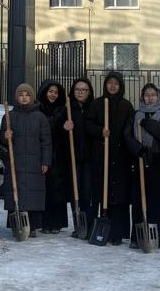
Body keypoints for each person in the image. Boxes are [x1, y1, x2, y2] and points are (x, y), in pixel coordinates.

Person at [85, 72, 134, 245]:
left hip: (120, 157)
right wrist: (100, 131)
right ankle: (99, 229)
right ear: (105, 85)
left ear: (120, 86)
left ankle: (117, 233)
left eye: (116, 83)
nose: (112, 86)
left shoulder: (126, 106)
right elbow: (87, 124)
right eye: (109, 83)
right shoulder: (97, 104)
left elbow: (130, 129)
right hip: (101, 155)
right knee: (101, 192)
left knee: (118, 196)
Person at [126, 83, 160, 249]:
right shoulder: (135, 115)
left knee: (158, 201)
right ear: (142, 97)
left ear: (159, 96)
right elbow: (127, 135)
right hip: (140, 160)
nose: (150, 98)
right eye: (147, 95)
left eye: (153, 95)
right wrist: (137, 148)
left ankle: (157, 237)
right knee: (138, 201)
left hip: (159, 163)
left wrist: (148, 123)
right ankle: (137, 237)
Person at [1, 83, 52, 238]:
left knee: (33, 194)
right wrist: (5, 137)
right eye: (21, 95)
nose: (24, 97)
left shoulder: (40, 118)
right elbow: (1, 142)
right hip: (15, 162)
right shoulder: (9, 116)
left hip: (34, 163)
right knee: (16, 193)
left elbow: (46, 142)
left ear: (32, 97)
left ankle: (33, 226)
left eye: (27, 95)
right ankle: (16, 224)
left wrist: (45, 161)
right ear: (16, 97)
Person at [37, 79, 69, 234]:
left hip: (58, 154)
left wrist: (65, 128)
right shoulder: (38, 109)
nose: (53, 95)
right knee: (43, 188)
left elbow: (66, 136)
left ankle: (56, 222)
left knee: (57, 189)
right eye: (50, 91)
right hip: (42, 153)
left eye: (56, 92)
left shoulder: (63, 111)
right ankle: (43, 222)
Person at [67, 77, 94, 238]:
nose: (80, 92)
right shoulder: (68, 108)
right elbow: (55, 127)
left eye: (84, 90)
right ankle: (78, 225)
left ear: (89, 92)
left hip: (90, 157)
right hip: (73, 156)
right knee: (75, 191)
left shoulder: (94, 107)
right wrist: (64, 126)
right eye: (78, 90)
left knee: (87, 191)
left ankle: (88, 223)